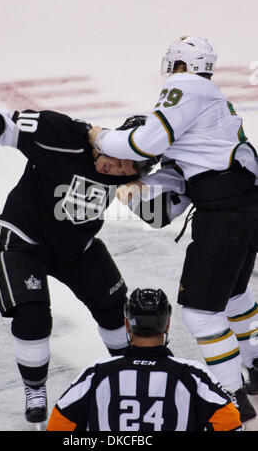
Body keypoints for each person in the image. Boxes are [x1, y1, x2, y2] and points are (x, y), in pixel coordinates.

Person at [88, 35, 258, 422]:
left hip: (225, 216)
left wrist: (101, 137)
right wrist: (132, 191)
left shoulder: (185, 86)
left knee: (200, 313)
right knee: (234, 295)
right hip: (245, 208)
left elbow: (145, 142)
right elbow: (165, 208)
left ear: (178, 64)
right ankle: (256, 365)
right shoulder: (211, 105)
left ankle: (233, 397)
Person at [0, 108, 156, 426]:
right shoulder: (62, 135)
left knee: (115, 310)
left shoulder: (133, 176)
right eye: (118, 159)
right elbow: (4, 121)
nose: (114, 168)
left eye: (125, 170)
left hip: (78, 247)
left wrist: (145, 192)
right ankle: (34, 389)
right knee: (33, 316)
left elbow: (158, 217)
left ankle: (128, 374)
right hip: (23, 241)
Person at [47, 287, 242, 431]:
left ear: (126, 324)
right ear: (166, 325)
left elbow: (58, 424)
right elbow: (230, 423)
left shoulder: (98, 372)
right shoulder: (190, 374)